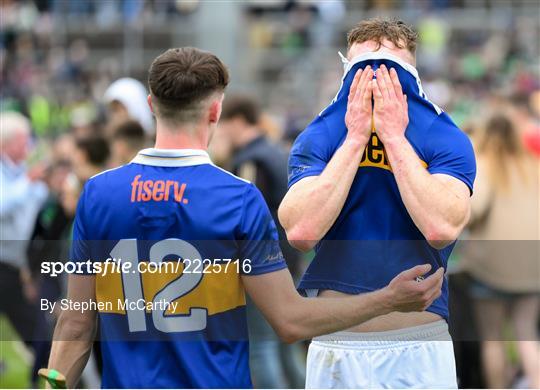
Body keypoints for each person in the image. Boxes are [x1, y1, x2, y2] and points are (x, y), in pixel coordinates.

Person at [45, 47, 444, 388]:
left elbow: (76, 324)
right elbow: (290, 321)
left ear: (151, 105)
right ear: (216, 110)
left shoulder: (98, 194)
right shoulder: (237, 198)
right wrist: (388, 300)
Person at [279, 18, 476, 388]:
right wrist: (355, 138)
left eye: (389, 71)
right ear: (346, 72)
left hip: (417, 347)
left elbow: (441, 227)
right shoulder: (322, 133)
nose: (375, 79)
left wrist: (393, 137)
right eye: (363, 69)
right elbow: (302, 230)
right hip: (338, 342)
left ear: (411, 73)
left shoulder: (443, 135)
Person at [220, 95, 305, 388]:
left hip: (263, 264)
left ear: (238, 121)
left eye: (224, 125)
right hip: (287, 258)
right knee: (286, 342)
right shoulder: (275, 151)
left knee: (261, 345)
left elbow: (244, 218)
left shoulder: (250, 159)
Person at [463, 113, 540, 389]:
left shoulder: (483, 165)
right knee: (526, 333)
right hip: (532, 269)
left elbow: (472, 211)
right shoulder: (533, 165)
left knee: (492, 339)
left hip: (491, 269)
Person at [0, 111, 49, 386]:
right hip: (3, 266)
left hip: (12, 266)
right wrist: (30, 182)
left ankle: (46, 373)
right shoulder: (16, 176)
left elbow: (31, 206)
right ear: (7, 143)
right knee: (35, 328)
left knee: (35, 328)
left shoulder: (17, 173)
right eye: (24, 140)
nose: (29, 145)